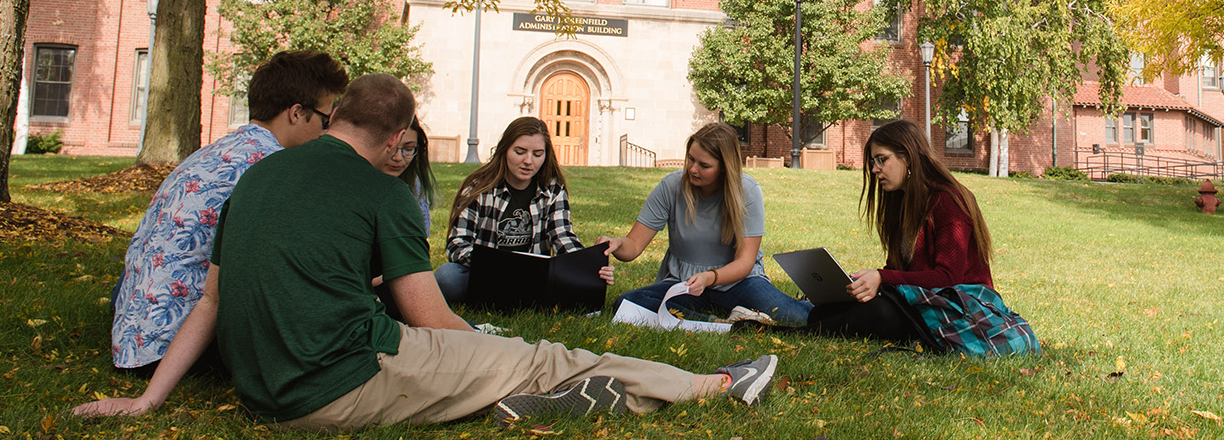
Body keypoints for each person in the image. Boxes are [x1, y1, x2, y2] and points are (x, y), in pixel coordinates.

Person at [73, 74, 779, 429]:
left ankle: (543, 399)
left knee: (505, 364)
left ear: (338, 118)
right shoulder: (382, 194)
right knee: (542, 354)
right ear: (395, 138)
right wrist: (490, 347)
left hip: (264, 391)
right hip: (341, 382)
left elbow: (212, 301)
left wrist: (147, 401)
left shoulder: (256, 174)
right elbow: (428, 318)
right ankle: (713, 386)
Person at [109, 50, 349, 376]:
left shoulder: (213, 152)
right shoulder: (274, 167)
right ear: (296, 113)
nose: (326, 131)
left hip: (132, 332)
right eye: (325, 120)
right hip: (178, 345)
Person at [800, 120, 1008, 346]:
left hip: (962, 308)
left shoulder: (948, 200)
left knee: (880, 313)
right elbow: (899, 270)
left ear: (907, 157)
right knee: (825, 311)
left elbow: (948, 278)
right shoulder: (902, 201)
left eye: (882, 159)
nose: (874, 169)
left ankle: (800, 330)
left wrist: (882, 278)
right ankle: (813, 322)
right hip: (922, 302)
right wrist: (865, 283)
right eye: (872, 161)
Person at [603, 123, 811, 326]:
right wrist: (617, 244)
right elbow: (633, 246)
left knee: (796, 318)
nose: (693, 169)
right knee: (627, 304)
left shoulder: (747, 191)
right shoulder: (670, 186)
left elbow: (745, 262)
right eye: (690, 159)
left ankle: (808, 306)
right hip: (684, 282)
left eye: (704, 165)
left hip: (739, 282)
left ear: (724, 168)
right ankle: (722, 322)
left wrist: (709, 278)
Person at [434, 116, 601, 303]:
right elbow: (457, 244)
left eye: (537, 154)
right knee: (448, 277)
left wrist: (587, 266)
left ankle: (514, 297)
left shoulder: (553, 187)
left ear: (546, 156)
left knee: (575, 281)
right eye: (520, 152)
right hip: (487, 275)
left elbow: (562, 236)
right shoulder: (477, 187)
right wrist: (493, 265)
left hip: (534, 277)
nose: (528, 161)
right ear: (505, 150)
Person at [384, 117, 437, 234]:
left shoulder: (414, 184)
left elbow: (421, 235)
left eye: (408, 149)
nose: (398, 157)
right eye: (391, 147)